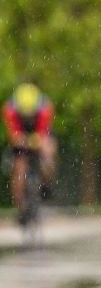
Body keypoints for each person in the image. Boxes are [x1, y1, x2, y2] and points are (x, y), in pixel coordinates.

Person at [2, 83, 57, 224]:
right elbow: (14, 134)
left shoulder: (46, 107)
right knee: (19, 169)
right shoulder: (9, 109)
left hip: (39, 132)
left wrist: (38, 141)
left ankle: (47, 183)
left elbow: (44, 132)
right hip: (21, 134)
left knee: (48, 149)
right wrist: (20, 140)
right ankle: (21, 207)